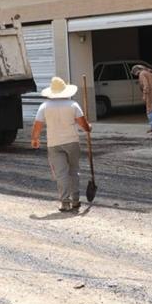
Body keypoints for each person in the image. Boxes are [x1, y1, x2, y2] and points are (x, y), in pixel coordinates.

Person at [30, 76, 91, 212]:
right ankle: (76, 200)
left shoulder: (44, 106)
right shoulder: (73, 105)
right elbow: (83, 124)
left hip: (54, 144)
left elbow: (37, 125)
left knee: (61, 174)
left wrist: (35, 139)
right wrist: (88, 128)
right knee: (74, 171)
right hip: (72, 142)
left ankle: (65, 202)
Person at [132, 64, 152, 133]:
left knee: (150, 110)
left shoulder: (142, 74)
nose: (136, 75)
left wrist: (144, 95)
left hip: (151, 93)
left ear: (136, 71)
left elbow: (146, 85)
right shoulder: (149, 71)